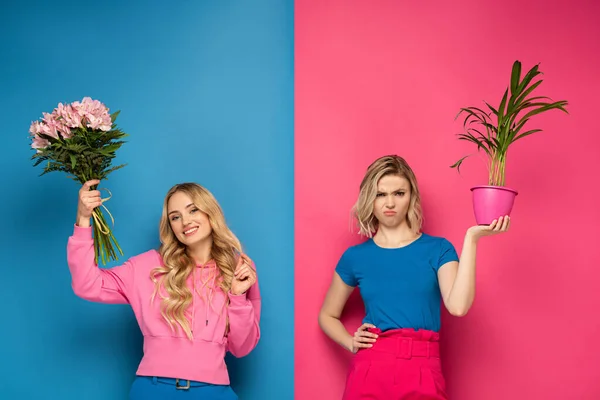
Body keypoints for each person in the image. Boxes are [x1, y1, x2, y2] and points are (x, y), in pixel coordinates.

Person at [318, 155, 510, 400]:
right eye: (380, 194)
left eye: (399, 193)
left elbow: (458, 306)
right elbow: (327, 315)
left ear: (411, 197)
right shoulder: (355, 257)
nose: (390, 203)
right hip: (370, 368)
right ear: (370, 199)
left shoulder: (438, 249)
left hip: (422, 366)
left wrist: (472, 239)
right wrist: (350, 342)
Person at [67, 180, 260, 400]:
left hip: (214, 391)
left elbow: (242, 347)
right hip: (154, 390)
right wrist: (83, 220)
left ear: (210, 212)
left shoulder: (237, 268)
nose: (185, 221)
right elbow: (87, 284)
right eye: (175, 217)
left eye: (193, 210)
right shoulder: (147, 267)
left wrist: (237, 296)